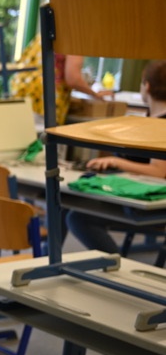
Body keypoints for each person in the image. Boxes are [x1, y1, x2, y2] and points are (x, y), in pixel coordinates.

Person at [66, 60, 166, 254]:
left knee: (77, 217)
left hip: (150, 205)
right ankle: (51, 260)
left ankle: (115, 267)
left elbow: (159, 172)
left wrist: (115, 161)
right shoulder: (149, 119)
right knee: (65, 201)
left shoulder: (162, 125)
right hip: (130, 191)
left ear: (147, 86)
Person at [11, 33, 109, 124]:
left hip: (22, 92)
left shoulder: (51, 30)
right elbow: (73, 79)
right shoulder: (75, 38)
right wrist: (95, 94)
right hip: (44, 98)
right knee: (42, 138)